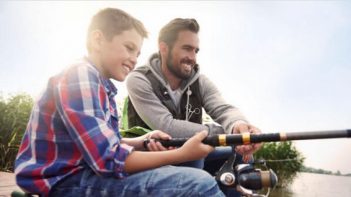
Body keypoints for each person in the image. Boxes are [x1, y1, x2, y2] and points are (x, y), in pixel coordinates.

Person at [14, 8, 225, 197]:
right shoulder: (80, 74)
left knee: (183, 175)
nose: (134, 59)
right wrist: (182, 154)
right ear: (98, 40)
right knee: (200, 183)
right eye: (129, 47)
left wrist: (142, 140)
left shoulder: (102, 85)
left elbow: (106, 144)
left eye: (138, 53)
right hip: (63, 181)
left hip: (82, 172)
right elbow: (108, 159)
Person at [126, 18, 262, 175]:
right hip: (150, 158)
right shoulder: (138, 79)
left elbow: (223, 109)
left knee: (243, 157)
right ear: (163, 48)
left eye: (195, 51)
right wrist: (227, 134)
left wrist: (239, 126)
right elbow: (166, 126)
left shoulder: (201, 81)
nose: (192, 57)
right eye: (186, 49)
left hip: (194, 151)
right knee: (196, 158)